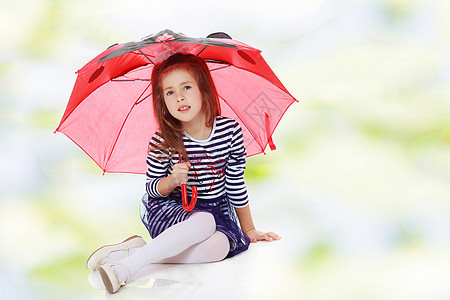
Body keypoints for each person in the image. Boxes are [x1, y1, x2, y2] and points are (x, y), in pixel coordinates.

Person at [86, 53, 280, 294]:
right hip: (171, 210)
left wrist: (249, 230)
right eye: (169, 92)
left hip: (216, 209)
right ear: (162, 101)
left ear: (204, 90)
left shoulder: (229, 132)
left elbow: (235, 183)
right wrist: (172, 180)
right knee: (204, 221)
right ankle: (125, 269)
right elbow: (152, 188)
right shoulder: (162, 141)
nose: (179, 97)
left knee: (218, 248)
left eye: (186, 87)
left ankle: (136, 252)